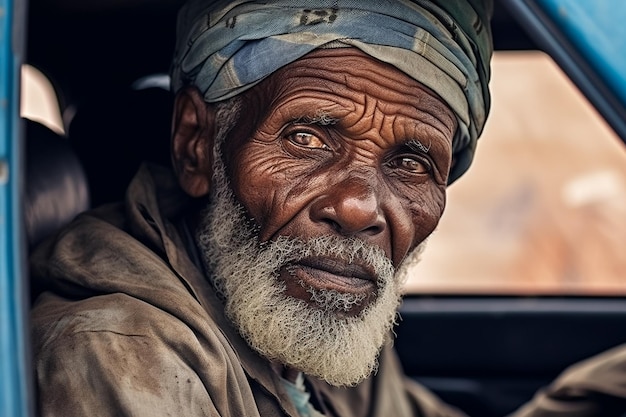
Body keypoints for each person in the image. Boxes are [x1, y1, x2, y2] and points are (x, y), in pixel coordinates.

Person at [30, 1, 493, 416]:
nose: (358, 208)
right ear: (197, 144)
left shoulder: (325, 308)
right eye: (306, 139)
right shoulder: (120, 354)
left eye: (411, 163)